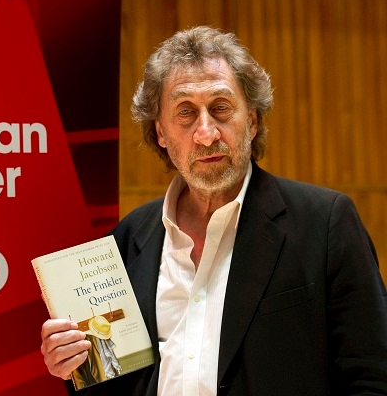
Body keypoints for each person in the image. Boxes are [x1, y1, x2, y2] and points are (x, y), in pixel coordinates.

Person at [40, 25, 387, 395]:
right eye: (185, 112)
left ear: (251, 120)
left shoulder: (326, 223)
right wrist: (74, 361)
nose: (206, 133)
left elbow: (371, 378)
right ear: (160, 132)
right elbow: (111, 379)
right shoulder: (129, 238)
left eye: (221, 108)